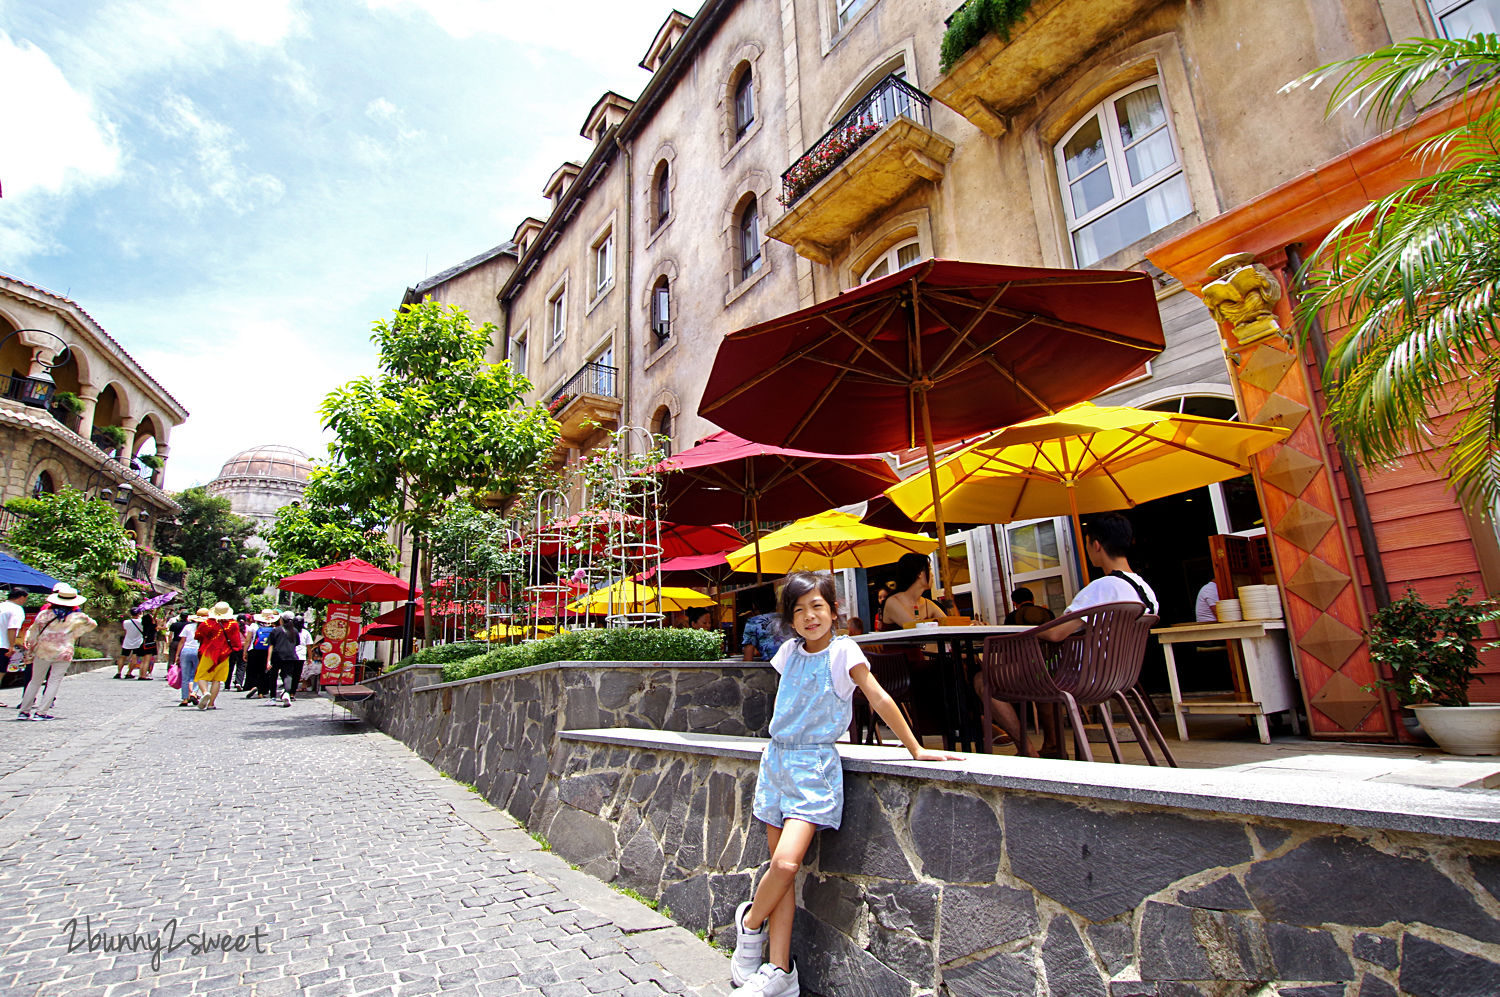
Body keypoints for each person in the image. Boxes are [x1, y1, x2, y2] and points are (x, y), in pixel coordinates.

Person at [729, 572, 958, 996]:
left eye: (817, 606)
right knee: (782, 880)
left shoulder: (843, 651)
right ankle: (779, 972)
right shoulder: (787, 654)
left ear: (833, 611)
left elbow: (879, 697)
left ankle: (749, 923)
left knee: (785, 865)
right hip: (777, 762)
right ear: (790, 620)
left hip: (814, 767)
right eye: (798, 610)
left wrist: (916, 749)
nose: (809, 616)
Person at [1039, 513, 1157, 643]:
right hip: (1128, 663)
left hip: (1089, 663)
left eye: (1086, 543)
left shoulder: (1105, 587)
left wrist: (1027, 631)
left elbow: (1055, 633)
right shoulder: (1146, 590)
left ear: (1096, 545)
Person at [16, 584, 97, 721]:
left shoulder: (44, 614)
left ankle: (24, 711)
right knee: (54, 681)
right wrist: (74, 633)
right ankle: (41, 712)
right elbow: (92, 624)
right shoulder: (77, 617)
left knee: (35, 680)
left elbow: (34, 631)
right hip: (63, 651)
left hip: (43, 650)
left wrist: (31, 646)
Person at [192, 602, 243, 710]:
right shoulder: (233, 624)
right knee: (217, 680)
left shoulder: (207, 624)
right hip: (224, 655)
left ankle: (205, 692)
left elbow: (198, 636)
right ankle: (211, 704)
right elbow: (236, 642)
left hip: (208, 653)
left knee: (201, 676)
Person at [880, 553, 945, 629]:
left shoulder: (927, 603)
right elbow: (915, 629)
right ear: (920, 573)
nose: (932, 575)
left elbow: (949, 624)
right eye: (929, 569)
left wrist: (951, 603)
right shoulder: (893, 601)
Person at [741, 590, 788, 662]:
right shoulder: (788, 619)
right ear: (776, 601)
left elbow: (748, 659)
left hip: (773, 667)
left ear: (754, 605)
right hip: (797, 664)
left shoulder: (753, 622)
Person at [268, 612, 304, 706]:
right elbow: (297, 643)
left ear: (282, 620)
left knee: (273, 676)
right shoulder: (295, 631)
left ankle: (272, 698)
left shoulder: (276, 630)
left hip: (277, 655)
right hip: (291, 656)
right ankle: (287, 693)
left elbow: (271, 646)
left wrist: (268, 660)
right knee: (288, 675)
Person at [1, 588, 28, 706]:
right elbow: (12, 628)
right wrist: (12, 646)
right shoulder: (17, 609)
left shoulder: (2, 605)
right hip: (3, 644)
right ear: (21, 597)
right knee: (0, 671)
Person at [244, 610, 279, 699]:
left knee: (254, 670)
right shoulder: (274, 628)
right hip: (268, 651)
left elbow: (248, 639)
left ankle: (254, 686)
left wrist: (245, 651)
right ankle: (262, 692)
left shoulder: (254, 626)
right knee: (266, 671)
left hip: (255, 650)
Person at [177, 609, 206, 707]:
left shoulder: (188, 627)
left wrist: (177, 655)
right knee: (198, 674)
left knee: (185, 676)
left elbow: (182, 641)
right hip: (198, 651)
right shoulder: (206, 627)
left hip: (186, 651)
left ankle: (185, 698)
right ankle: (194, 692)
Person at [116, 608, 144, 679]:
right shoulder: (141, 622)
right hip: (138, 642)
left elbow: (125, 629)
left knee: (123, 657)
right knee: (134, 658)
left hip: (127, 641)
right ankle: (129, 673)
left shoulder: (126, 622)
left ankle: (119, 672)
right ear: (139, 613)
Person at [137, 610, 159, 679]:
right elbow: (156, 622)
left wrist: (156, 612)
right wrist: (156, 612)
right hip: (150, 644)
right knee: (147, 661)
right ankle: (144, 675)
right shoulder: (153, 626)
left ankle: (141, 674)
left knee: (143, 661)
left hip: (144, 643)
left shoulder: (144, 626)